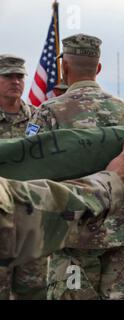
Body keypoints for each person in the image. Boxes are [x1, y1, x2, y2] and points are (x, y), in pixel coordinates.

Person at [30, 33, 124, 300]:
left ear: (64, 68)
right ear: (98, 68)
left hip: (72, 232)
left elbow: (32, 167)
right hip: (120, 232)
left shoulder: (48, 112)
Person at [0, 134, 124, 267]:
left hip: (94, 232)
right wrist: (111, 183)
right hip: (75, 233)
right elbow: (19, 213)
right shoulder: (48, 112)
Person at [0, 54, 47, 300]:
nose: (15, 81)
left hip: (32, 220)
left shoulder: (40, 119)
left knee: (34, 290)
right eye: (8, 76)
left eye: (19, 76)